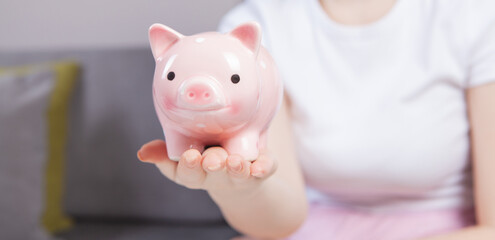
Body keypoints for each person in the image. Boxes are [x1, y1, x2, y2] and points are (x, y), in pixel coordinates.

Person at [137, 0, 495, 239]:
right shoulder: (260, 22)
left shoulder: (472, 15)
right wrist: (241, 188)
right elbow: (283, 218)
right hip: (315, 227)